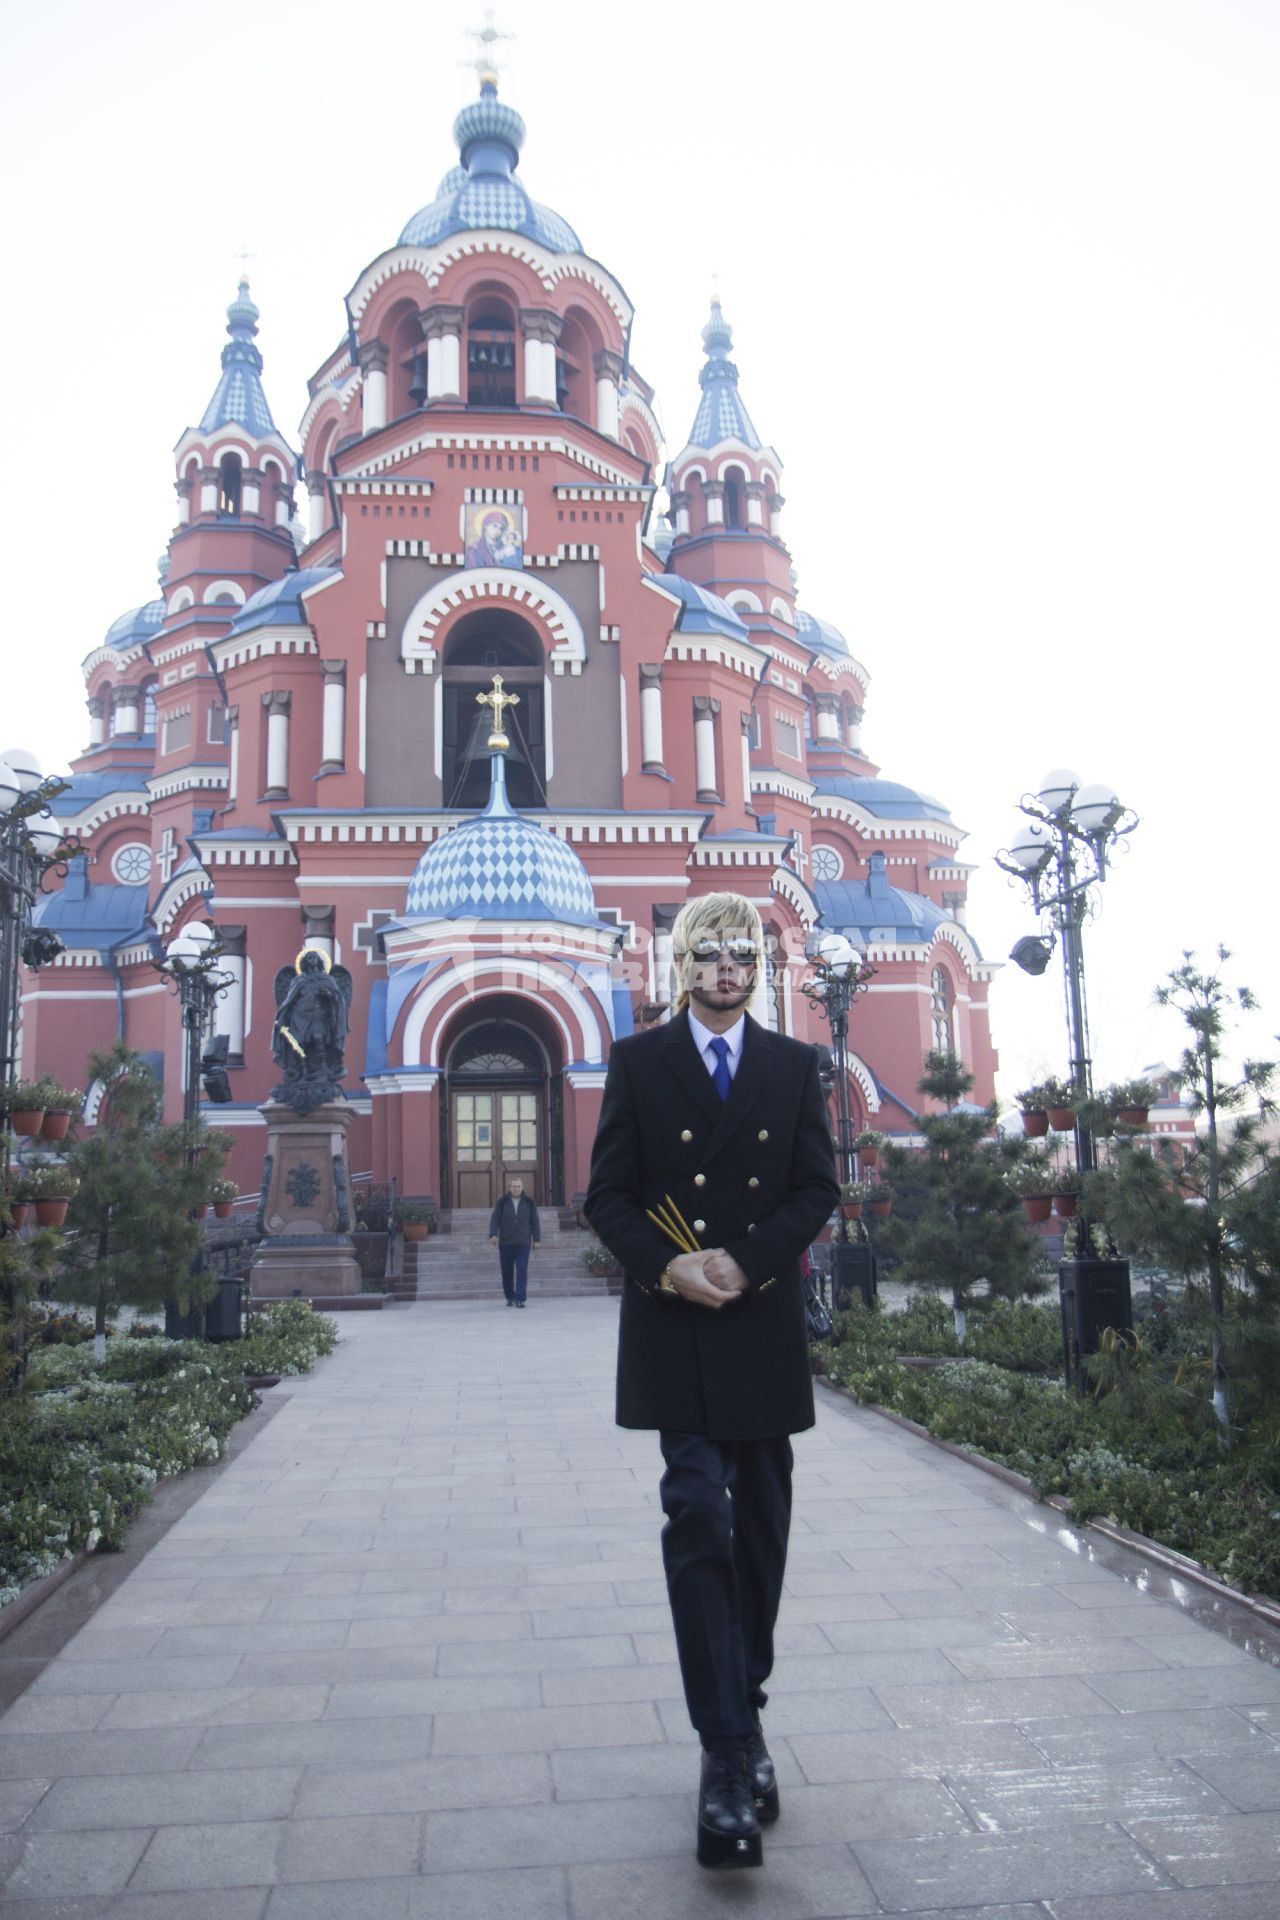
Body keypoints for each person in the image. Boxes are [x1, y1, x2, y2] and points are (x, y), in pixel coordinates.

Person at [584, 893, 838, 1871]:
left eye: (741, 956)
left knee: (762, 1527)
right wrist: (666, 1265)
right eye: (708, 956)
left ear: (757, 968)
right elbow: (605, 1191)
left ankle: (748, 1705)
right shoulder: (638, 1062)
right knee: (696, 1514)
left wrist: (749, 1259)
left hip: (757, 1322)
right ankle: (725, 1753)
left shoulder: (791, 1066)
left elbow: (815, 1186)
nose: (725, 971)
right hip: (674, 1325)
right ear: (681, 964)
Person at [488, 1176, 540, 1307]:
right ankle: (510, 1296)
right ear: (510, 1188)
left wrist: (537, 1239)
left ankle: (520, 1298)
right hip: (506, 1243)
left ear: (522, 1188)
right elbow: (495, 1219)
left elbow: (535, 1221)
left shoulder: (529, 1202)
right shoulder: (502, 1202)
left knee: (522, 1271)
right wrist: (493, 1234)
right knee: (507, 1271)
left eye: (519, 1186)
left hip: (523, 1243)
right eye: (514, 1186)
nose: (516, 1189)